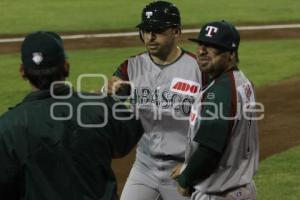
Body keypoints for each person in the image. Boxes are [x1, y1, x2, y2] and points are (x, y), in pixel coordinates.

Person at [0, 31, 144, 200]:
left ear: (22, 71)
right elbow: (129, 136)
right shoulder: (101, 108)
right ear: (66, 67)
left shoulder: (7, 127)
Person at [107, 1, 204, 200]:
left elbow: (213, 124)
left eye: (157, 31)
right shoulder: (130, 67)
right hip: (144, 166)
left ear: (176, 32)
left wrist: (192, 166)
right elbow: (110, 102)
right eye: (146, 30)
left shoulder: (198, 69)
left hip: (183, 168)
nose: (150, 37)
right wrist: (110, 90)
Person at [170, 20, 259, 200]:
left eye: (212, 47)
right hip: (238, 187)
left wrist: (185, 179)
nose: (202, 51)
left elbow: (209, 150)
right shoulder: (241, 82)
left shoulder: (220, 93)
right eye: (201, 44)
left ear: (231, 55)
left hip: (219, 192)